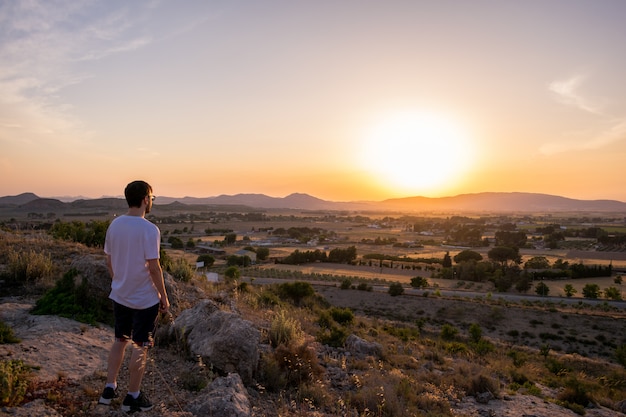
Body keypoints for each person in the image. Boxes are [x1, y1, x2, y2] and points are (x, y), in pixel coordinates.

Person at [98, 180, 170, 413]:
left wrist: (119, 280)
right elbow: (154, 267)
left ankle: (109, 389)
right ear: (145, 199)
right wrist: (163, 297)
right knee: (140, 346)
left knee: (120, 340)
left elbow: (109, 259)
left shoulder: (115, 225)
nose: (151, 201)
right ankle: (132, 397)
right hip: (143, 300)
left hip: (120, 295)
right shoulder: (149, 229)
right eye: (152, 197)